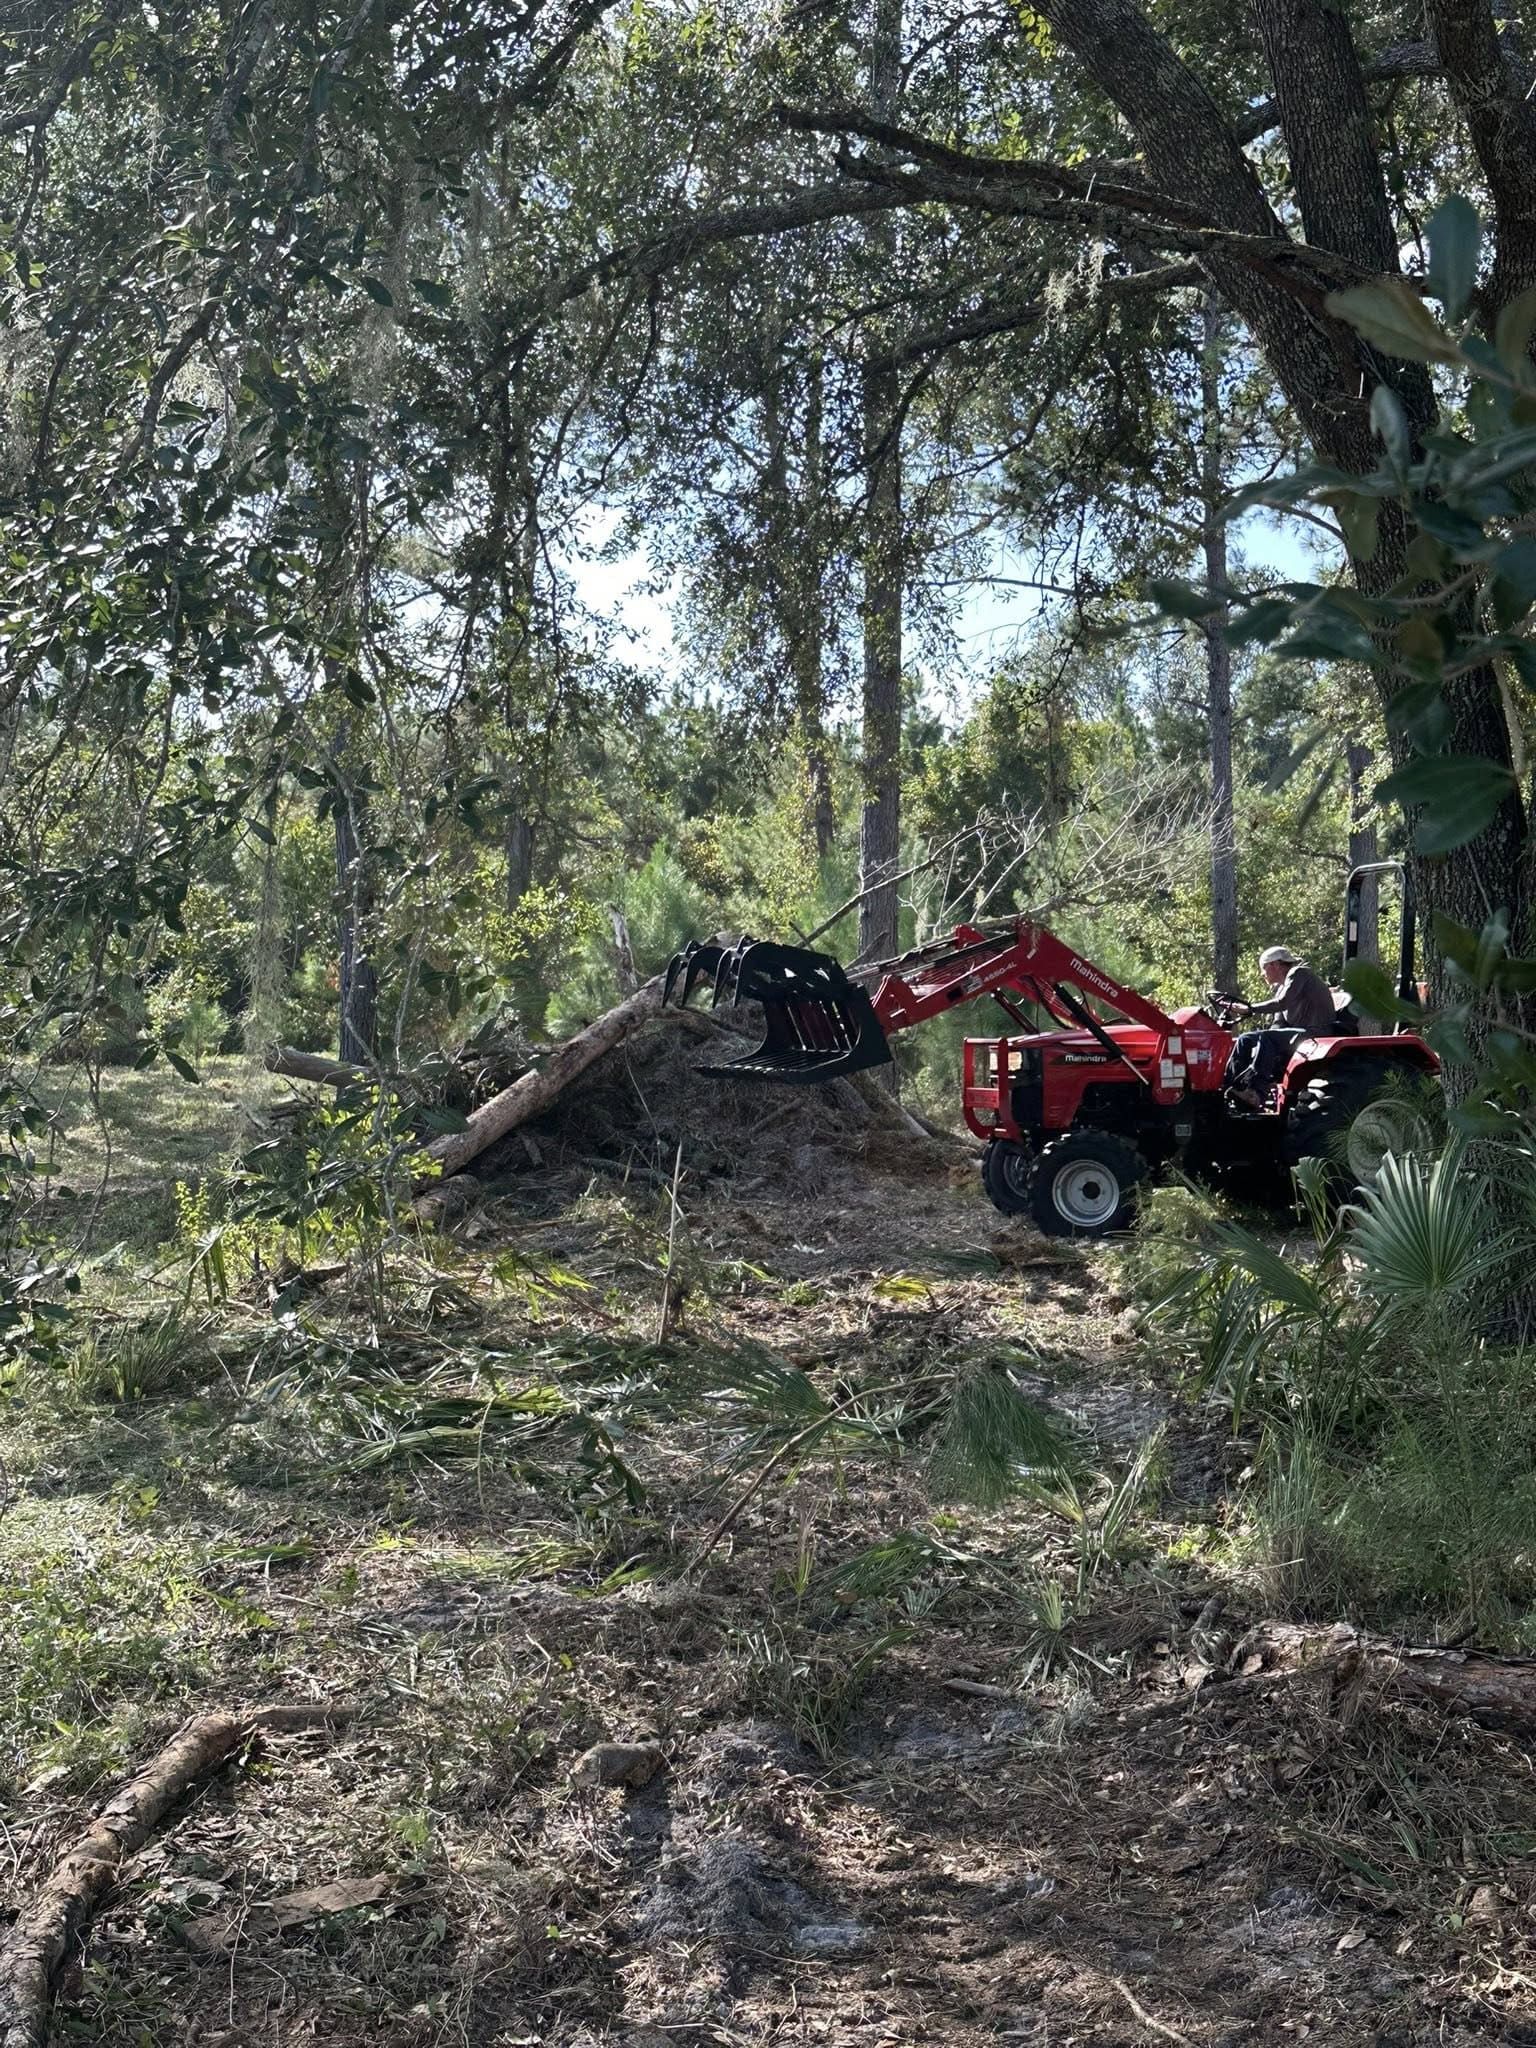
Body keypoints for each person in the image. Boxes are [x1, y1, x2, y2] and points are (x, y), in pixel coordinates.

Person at [1223, 945, 1339, 1110]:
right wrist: (1263, 1037)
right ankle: (1232, 1086)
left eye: (1264, 968)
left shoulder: (1299, 973)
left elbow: (1282, 1003)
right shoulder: (1281, 987)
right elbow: (1278, 1023)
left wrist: (1250, 1009)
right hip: (1298, 1033)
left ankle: (1256, 1092)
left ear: (1275, 965)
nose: (1262, 974)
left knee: (1267, 1037)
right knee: (1246, 1038)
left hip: (1315, 1032)